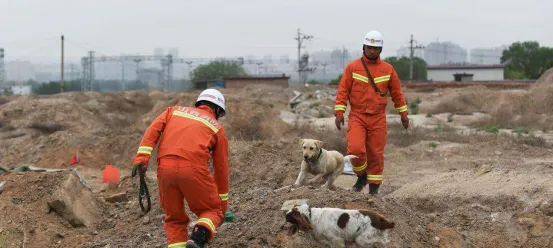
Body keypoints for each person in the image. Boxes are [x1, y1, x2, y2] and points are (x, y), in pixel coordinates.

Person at [132, 89, 229, 248]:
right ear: (218, 110)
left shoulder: (173, 111)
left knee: (174, 218)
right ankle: (197, 238)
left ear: (199, 103)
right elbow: (221, 169)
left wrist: (142, 159)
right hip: (193, 170)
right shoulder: (217, 128)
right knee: (212, 211)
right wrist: (222, 207)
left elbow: (152, 131)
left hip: (165, 170)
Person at [334, 30, 410, 195]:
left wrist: (403, 114)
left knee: (376, 153)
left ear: (381, 50)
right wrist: (339, 112)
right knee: (355, 149)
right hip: (357, 116)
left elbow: (397, 93)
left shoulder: (388, 69)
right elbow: (343, 91)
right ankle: (362, 177)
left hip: (378, 118)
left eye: (376, 48)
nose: (372, 51)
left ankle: (374, 189)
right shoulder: (353, 67)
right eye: (369, 47)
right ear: (364, 47)